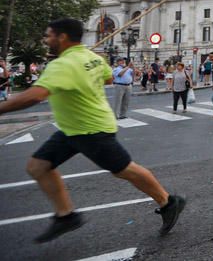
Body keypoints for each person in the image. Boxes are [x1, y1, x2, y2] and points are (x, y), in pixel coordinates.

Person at [0, 18, 186, 242]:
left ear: (62, 37)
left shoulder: (62, 65)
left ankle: (168, 202)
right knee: (38, 166)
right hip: (71, 129)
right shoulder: (91, 57)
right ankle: (65, 215)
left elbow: (36, 95)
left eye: (49, 35)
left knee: (124, 169)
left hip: (91, 129)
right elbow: (108, 77)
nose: (46, 40)